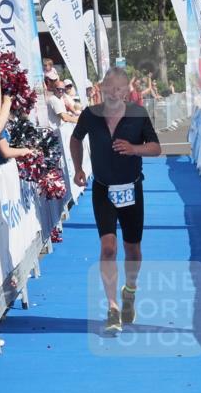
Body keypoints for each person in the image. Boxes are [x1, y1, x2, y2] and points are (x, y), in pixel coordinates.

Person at [69, 67, 162, 333]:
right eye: (109, 87)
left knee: (132, 249)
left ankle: (129, 290)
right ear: (102, 88)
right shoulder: (90, 114)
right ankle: (112, 308)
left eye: (119, 88)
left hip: (131, 189)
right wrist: (78, 168)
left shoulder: (137, 114)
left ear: (127, 91)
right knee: (108, 248)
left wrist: (134, 149)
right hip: (102, 189)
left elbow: (155, 148)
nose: (114, 92)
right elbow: (75, 140)